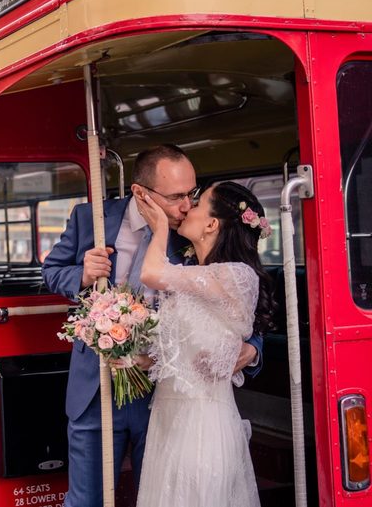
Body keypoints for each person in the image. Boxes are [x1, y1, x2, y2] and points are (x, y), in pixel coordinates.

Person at [41, 145, 263, 507]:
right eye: (176, 196)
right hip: (96, 386)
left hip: (163, 393)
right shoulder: (89, 218)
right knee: (86, 500)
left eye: (191, 195)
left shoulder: (191, 233)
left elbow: (239, 304)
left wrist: (253, 348)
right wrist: (81, 273)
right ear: (140, 192)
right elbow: (50, 272)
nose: (186, 206)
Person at [134, 181, 273, 506]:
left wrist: (158, 228)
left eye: (196, 204)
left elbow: (151, 273)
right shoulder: (195, 274)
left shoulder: (237, 276)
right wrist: (137, 357)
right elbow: (181, 350)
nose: (187, 208)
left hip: (201, 426)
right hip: (167, 420)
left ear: (211, 224)